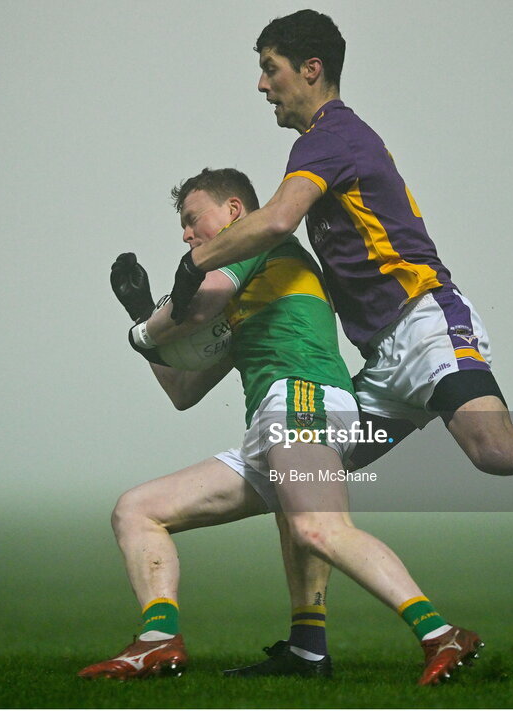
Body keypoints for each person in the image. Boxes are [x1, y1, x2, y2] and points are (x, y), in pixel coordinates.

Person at [167, 8, 513, 673]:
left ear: (311, 71)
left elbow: (278, 218)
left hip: (427, 324)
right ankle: (308, 644)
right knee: (308, 471)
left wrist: (198, 263)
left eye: (270, 68)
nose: (262, 85)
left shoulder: (328, 136)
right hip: (386, 360)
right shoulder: (325, 140)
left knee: (496, 448)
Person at [77, 168, 480, 686]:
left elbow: (193, 310)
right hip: (274, 421)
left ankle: (439, 632)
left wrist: (142, 331)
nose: (185, 234)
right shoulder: (247, 295)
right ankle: (161, 641)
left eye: (192, 218)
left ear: (233, 213)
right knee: (137, 510)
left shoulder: (256, 239)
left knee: (318, 527)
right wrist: (140, 313)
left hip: (302, 401)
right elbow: (183, 390)